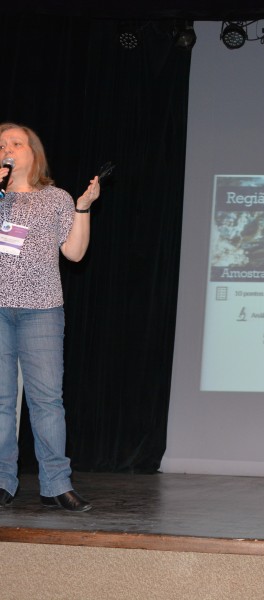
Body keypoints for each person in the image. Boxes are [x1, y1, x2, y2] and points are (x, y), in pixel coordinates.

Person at [0, 123, 100, 512]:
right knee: (2, 402)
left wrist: (83, 207)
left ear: (33, 153)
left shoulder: (55, 198)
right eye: (0, 144)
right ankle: (3, 482)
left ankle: (56, 483)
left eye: (15, 143)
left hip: (41, 309)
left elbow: (74, 253)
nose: (7, 149)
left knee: (46, 401)